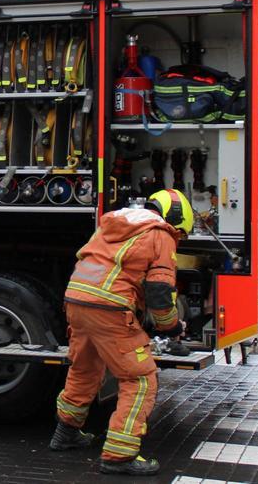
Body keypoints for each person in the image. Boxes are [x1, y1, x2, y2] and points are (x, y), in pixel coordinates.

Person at [50, 189, 192, 476]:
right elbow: (160, 290)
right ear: (175, 218)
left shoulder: (114, 222)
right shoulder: (160, 233)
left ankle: (66, 432)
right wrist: (171, 326)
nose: (178, 238)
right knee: (139, 380)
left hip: (77, 299)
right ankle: (119, 456)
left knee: (85, 369)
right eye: (181, 233)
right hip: (110, 308)